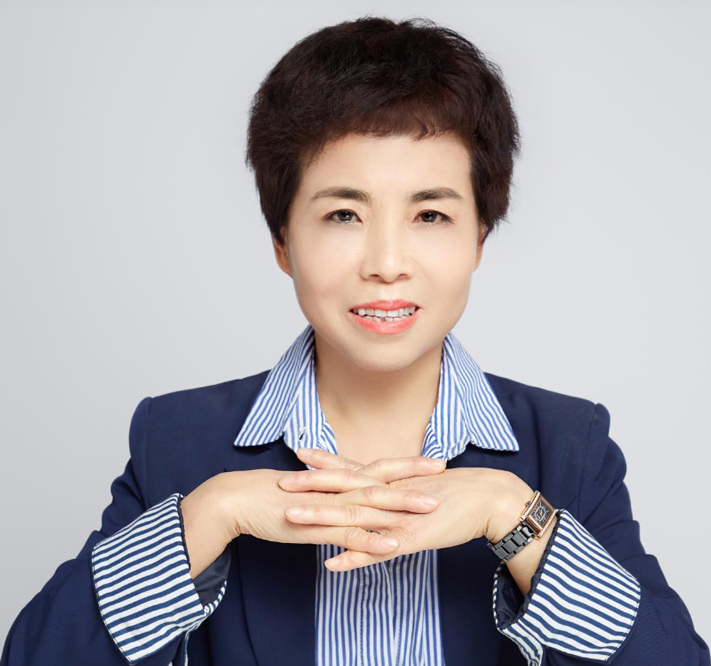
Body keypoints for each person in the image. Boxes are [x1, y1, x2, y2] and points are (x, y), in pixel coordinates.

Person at [1, 15, 708, 666]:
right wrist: (209, 516)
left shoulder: (569, 446)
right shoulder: (177, 441)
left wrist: (513, 517)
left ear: (478, 238)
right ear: (283, 241)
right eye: (343, 214)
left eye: (430, 216)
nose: (386, 263)